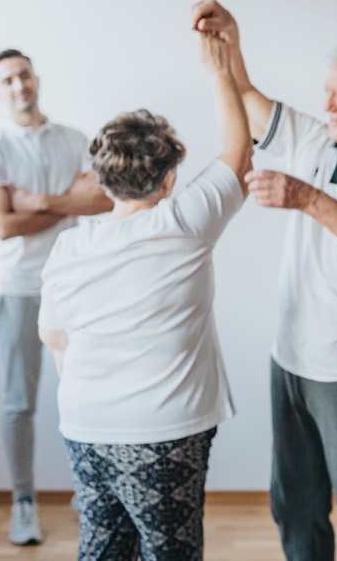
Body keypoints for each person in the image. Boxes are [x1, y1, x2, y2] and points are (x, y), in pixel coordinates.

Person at [190, 0, 337, 561]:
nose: (324, 104)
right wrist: (229, 43)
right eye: (325, 91)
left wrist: (305, 196)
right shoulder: (315, 138)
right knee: (295, 508)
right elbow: (249, 100)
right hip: (291, 361)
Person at [36, 31, 252, 560]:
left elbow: (53, 337)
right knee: (171, 553)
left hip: (85, 424)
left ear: (101, 180)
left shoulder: (68, 247)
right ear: (169, 179)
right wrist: (219, 66)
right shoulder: (184, 221)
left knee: (103, 551)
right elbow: (240, 152)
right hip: (163, 433)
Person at [0, 49, 112, 545]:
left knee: (87, 388)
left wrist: (33, 200)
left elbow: (101, 199)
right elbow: (3, 225)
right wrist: (64, 202)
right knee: (20, 400)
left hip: (74, 282)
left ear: (36, 78)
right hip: (17, 288)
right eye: (7, 80)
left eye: (24, 74)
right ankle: (24, 502)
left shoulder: (75, 139)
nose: (19, 85)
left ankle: (89, 487)